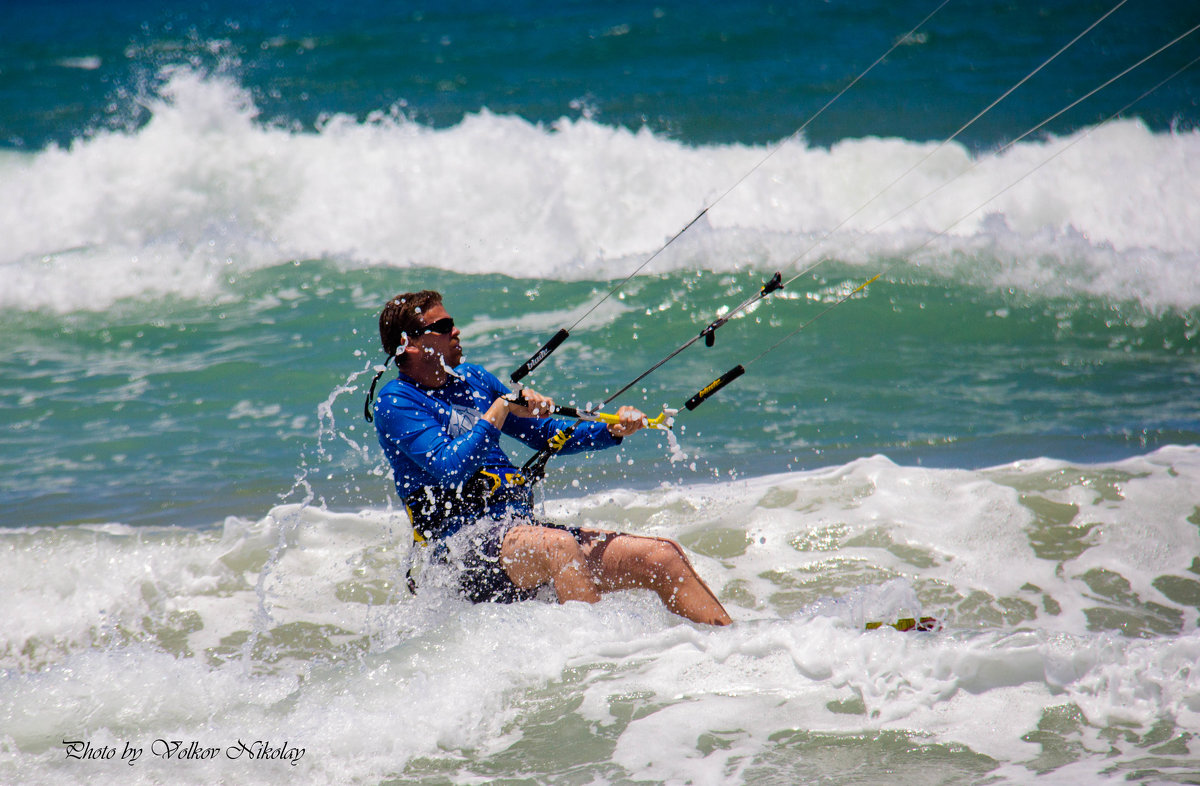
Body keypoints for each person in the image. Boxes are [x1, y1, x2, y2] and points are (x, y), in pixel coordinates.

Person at [367, 290, 731, 626]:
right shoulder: (396, 402)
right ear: (409, 345)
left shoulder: (472, 379)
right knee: (560, 547)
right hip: (457, 553)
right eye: (443, 326)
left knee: (662, 556)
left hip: (518, 535)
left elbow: (545, 435)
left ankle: (737, 650)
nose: (456, 330)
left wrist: (611, 430)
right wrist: (503, 406)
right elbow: (449, 467)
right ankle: (597, 670)